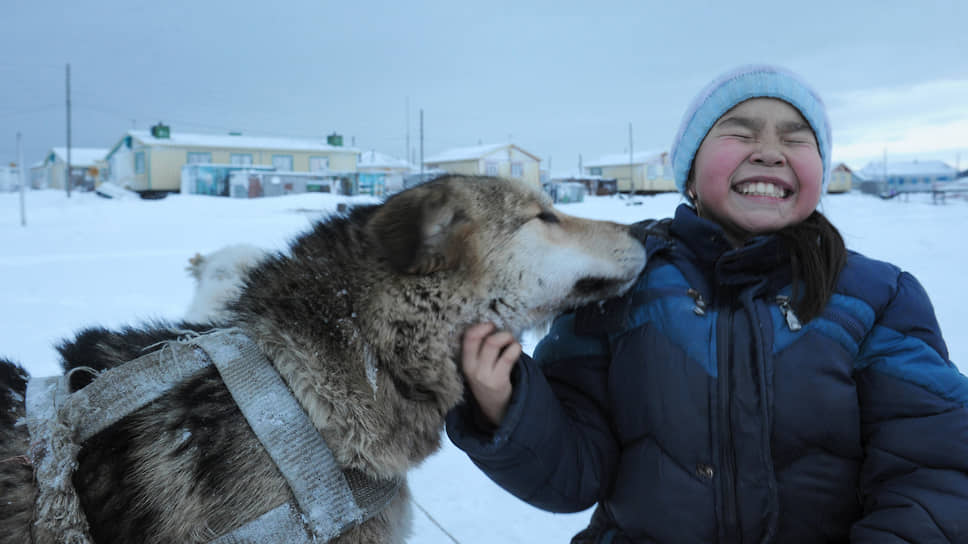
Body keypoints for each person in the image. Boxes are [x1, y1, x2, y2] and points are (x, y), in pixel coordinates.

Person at [445, 64, 968, 543]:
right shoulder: (619, 286)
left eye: (796, 138)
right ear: (691, 174)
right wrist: (508, 407)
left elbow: (935, 468)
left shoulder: (878, 297)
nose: (768, 151)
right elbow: (574, 475)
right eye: (740, 133)